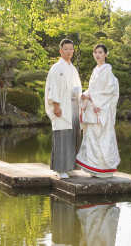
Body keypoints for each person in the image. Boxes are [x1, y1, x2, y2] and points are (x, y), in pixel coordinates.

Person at [75, 44, 120, 177]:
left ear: (106, 54)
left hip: (101, 109)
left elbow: (110, 91)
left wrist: (93, 98)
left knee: (101, 137)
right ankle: (94, 168)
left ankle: (103, 169)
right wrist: (85, 95)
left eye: (100, 52)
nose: (97, 55)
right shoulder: (96, 70)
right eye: (95, 52)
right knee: (92, 138)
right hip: (92, 108)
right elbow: (93, 89)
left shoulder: (107, 72)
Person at [45, 38, 82, 179]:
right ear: (60, 51)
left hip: (73, 105)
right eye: (65, 49)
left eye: (71, 49)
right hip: (61, 106)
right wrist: (55, 105)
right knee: (62, 136)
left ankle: (69, 166)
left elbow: (76, 87)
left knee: (72, 136)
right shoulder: (57, 68)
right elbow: (52, 88)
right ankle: (60, 169)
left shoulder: (72, 68)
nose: (68, 52)